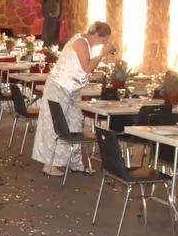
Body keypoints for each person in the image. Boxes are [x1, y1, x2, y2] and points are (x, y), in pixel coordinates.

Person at [31, 21, 117, 176]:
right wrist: (102, 54)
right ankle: (50, 164)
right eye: (103, 40)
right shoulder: (80, 42)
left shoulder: (88, 45)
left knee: (75, 124)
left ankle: (75, 162)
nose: (104, 43)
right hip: (59, 86)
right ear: (96, 35)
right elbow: (87, 67)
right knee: (55, 125)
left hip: (73, 89)